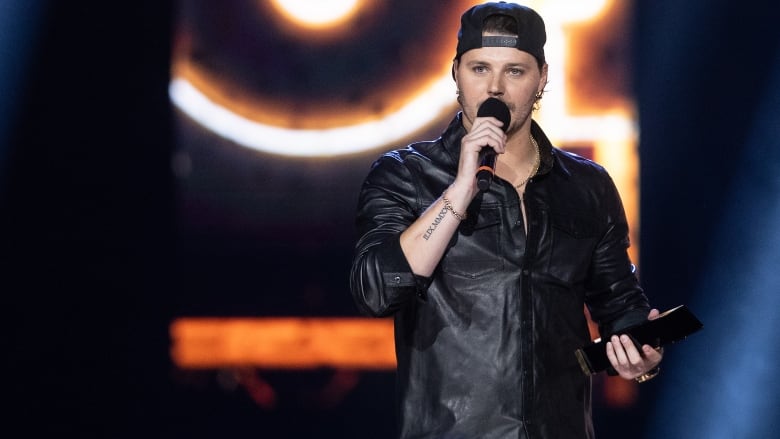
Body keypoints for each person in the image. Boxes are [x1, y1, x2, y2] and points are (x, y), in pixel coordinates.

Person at [349, 2, 662, 438]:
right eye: (480, 69)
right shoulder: (406, 174)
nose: (494, 88)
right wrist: (459, 191)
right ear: (455, 73)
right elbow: (379, 291)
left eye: (514, 71)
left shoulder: (587, 186)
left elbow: (620, 304)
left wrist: (639, 355)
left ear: (542, 78)